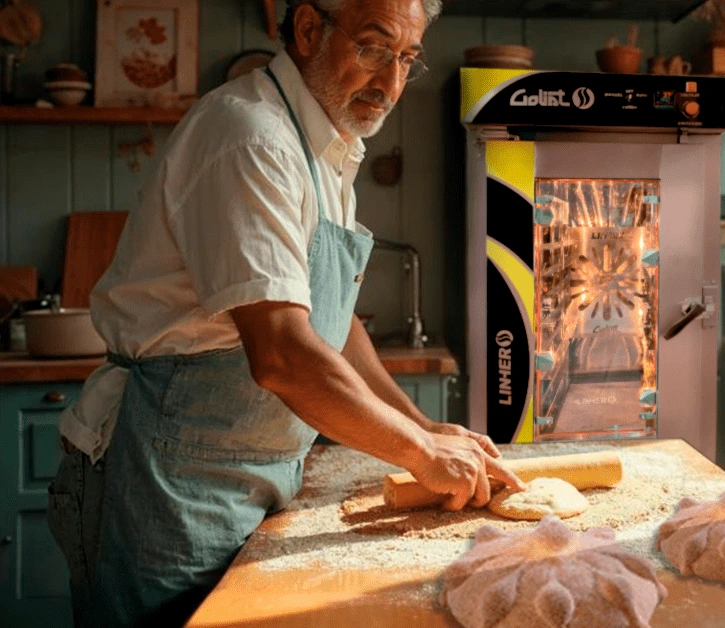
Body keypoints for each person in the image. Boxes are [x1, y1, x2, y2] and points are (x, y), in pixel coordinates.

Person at [46, 1, 523, 626]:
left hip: (251, 478)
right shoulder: (250, 135)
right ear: (307, 29)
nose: (391, 83)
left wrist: (424, 427)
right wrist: (420, 454)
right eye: (374, 48)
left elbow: (334, 323)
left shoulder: (326, 144)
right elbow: (282, 354)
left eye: (406, 58)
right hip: (167, 476)